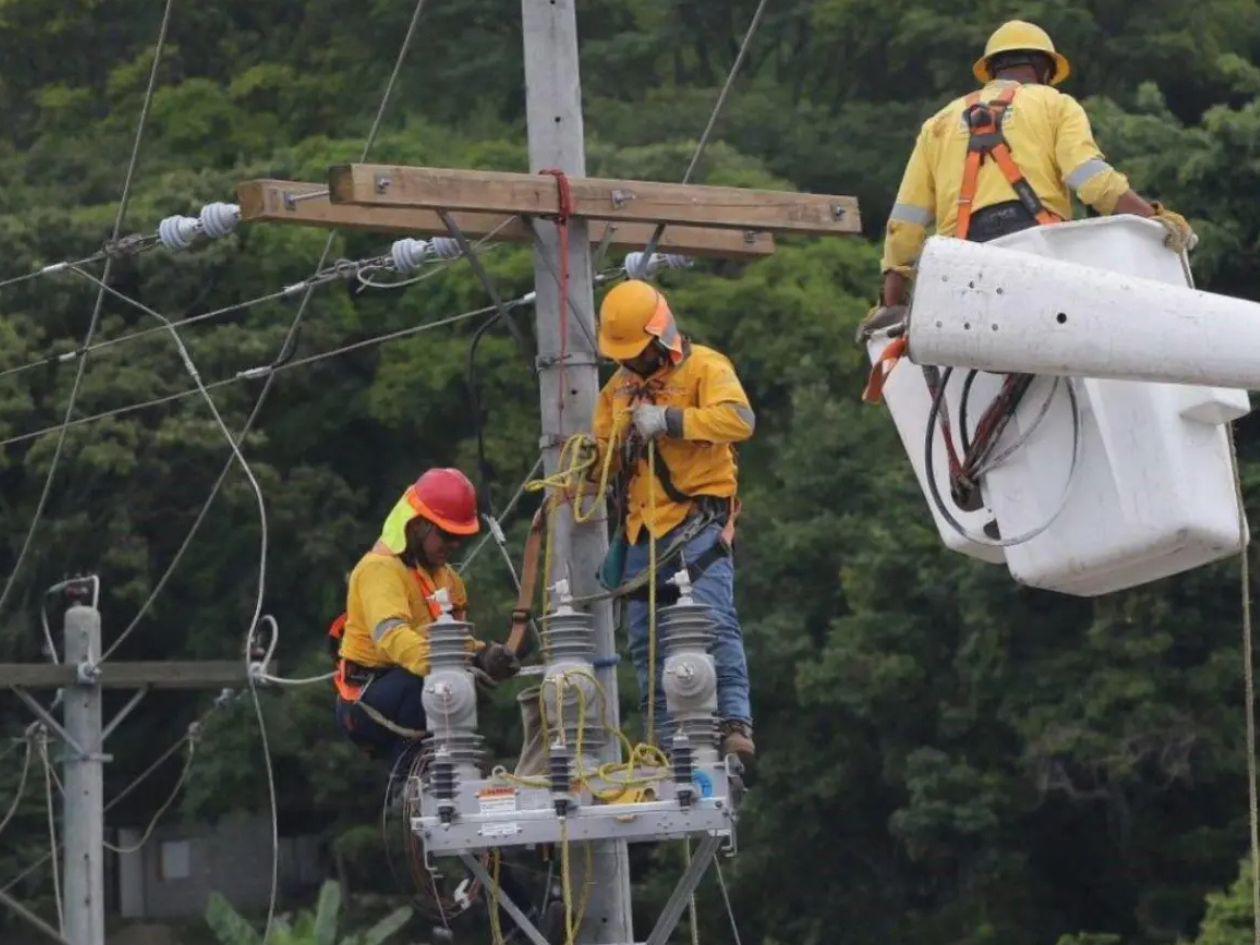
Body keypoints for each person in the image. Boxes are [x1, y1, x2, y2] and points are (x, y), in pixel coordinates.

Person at [874, 19, 1197, 316]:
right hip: (1038, 252)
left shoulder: (939, 123)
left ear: (992, 70)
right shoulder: (1054, 103)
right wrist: (1153, 217)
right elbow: (1092, 180)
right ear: (1044, 69)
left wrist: (891, 304)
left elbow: (905, 222)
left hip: (961, 264)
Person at [592, 279, 756, 763]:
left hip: (696, 524)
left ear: (660, 336)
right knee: (647, 643)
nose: (630, 363)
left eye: (637, 352)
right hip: (642, 533)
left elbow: (739, 421)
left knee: (712, 624)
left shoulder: (706, 367)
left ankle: (733, 724)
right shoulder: (616, 391)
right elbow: (599, 459)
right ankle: (666, 743)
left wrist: (670, 421)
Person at [333, 468, 519, 766]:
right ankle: (413, 775)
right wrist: (450, 665)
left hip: (408, 688)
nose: (453, 545)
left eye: (460, 538)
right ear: (418, 525)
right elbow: (392, 637)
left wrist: (483, 654)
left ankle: (441, 771)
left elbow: (453, 639)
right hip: (369, 699)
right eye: (446, 535)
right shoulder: (379, 570)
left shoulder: (447, 579)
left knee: (461, 690)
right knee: (439, 686)